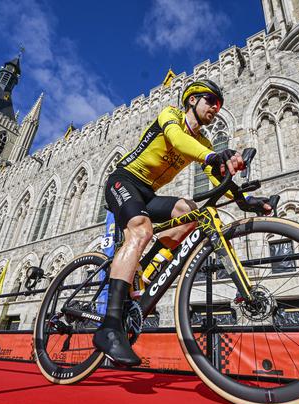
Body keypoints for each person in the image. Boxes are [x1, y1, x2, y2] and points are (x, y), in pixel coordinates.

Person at [95, 79, 271, 366]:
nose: (216, 107)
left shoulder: (203, 142)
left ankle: (144, 270)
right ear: (192, 100)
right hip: (123, 180)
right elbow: (178, 141)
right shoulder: (170, 115)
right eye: (210, 100)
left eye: (219, 104)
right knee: (140, 229)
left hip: (148, 192)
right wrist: (214, 156)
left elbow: (217, 178)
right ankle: (110, 326)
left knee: (188, 211)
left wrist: (243, 201)